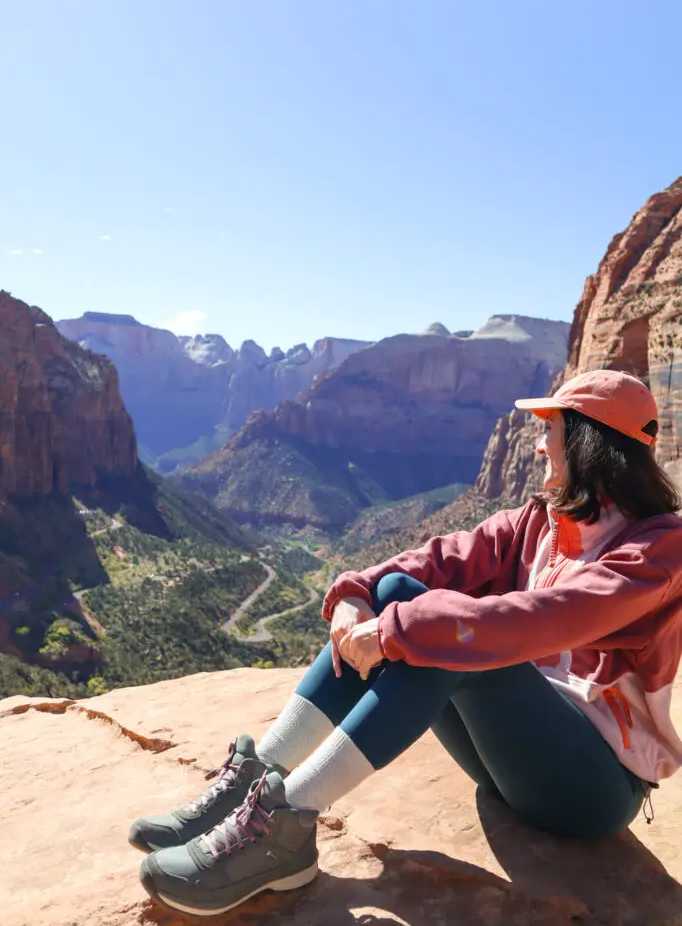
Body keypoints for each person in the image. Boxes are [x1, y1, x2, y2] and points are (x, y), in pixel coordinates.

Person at [130, 369, 682, 918]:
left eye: (551, 430)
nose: (539, 446)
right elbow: (441, 557)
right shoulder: (541, 522)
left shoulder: (659, 552)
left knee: (442, 636)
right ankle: (257, 780)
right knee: (400, 594)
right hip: (516, 762)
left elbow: (539, 618)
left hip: (592, 789)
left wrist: (398, 630)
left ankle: (286, 827)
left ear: (588, 443)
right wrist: (356, 592)